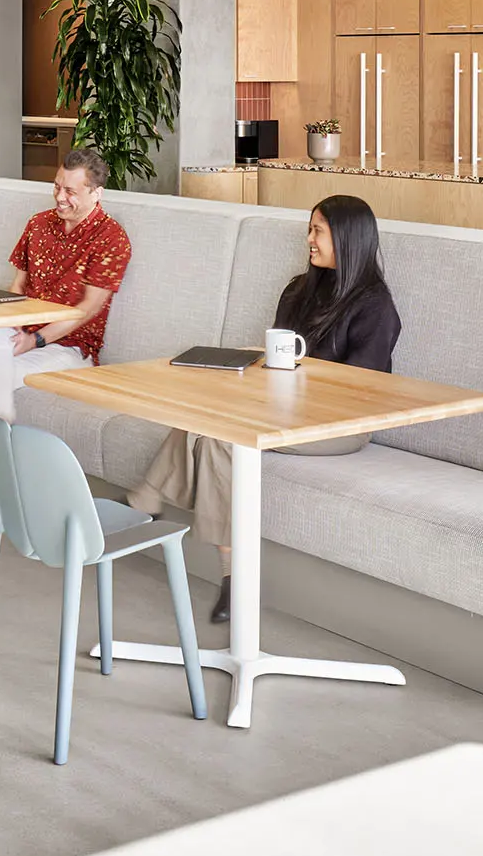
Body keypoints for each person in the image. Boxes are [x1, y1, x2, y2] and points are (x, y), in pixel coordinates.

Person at [131, 195, 399, 623]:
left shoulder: (375, 306)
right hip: (284, 410)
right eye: (309, 229)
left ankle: (148, 503)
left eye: (318, 231)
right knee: (204, 416)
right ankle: (228, 575)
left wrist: (291, 390)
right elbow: (278, 359)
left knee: (222, 440)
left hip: (340, 425)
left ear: (347, 238)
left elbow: (361, 390)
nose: (308, 239)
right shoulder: (299, 290)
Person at [0, 148, 131, 506]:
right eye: (56, 186)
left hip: (70, 347)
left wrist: (35, 339)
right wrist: (9, 324)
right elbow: (17, 287)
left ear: (96, 193)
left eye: (70, 191)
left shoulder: (112, 238)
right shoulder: (38, 224)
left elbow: (87, 309)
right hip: (21, 329)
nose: (59, 197)